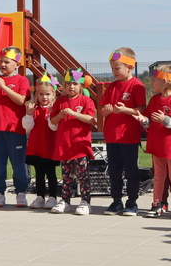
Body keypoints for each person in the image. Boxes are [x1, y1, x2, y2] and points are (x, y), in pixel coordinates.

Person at [100, 48, 147, 216]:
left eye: (117, 68)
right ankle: (116, 200)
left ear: (130, 67)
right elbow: (103, 109)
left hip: (129, 136)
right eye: (112, 68)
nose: (114, 72)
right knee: (114, 171)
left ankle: (132, 201)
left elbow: (142, 109)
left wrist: (125, 110)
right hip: (112, 136)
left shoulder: (137, 86)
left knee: (131, 171)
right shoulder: (111, 86)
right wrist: (106, 111)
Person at [0, 47, 31, 207]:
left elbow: (21, 100)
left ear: (17, 64)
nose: (3, 65)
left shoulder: (22, 81)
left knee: (18, 163)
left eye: (7, 62)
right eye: (1, 62)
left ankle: (21, 192)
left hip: (15, 129)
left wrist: (4, 87)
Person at [140, 66, 171, 219]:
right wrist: (143, 120)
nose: (152, 83)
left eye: (155, 80)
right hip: (157, 144)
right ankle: (157, 203)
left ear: (165, 81)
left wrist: (165, 119)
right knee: (159, 175)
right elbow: (149, 120)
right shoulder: (154, 100)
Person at [49, 69, 96, 215]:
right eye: (68, 84)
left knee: (83, 175)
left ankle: (85, 201)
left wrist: (74, 113)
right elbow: (52, 121)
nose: (71, 87)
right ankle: (65, 200)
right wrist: (60, 115)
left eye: (75, 84)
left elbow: (91, 119)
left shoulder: (86, 101)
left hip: (80, 145)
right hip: (65, 144)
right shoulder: (60, 101)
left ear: (81, 86)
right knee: (66, 175)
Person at [23, 74, 60, 210]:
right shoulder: (34, 109)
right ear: (37, 95)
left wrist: (51, 114)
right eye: (41, 94)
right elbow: (27, 126)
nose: (44, 97)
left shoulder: (55, 109)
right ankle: (40, 197)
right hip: (37, 146)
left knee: (51, 173)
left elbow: (53, 127)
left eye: (48, 94)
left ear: (53, 94)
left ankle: (53, 197)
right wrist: (28, 114)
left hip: (50, 147)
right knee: (39, 174)